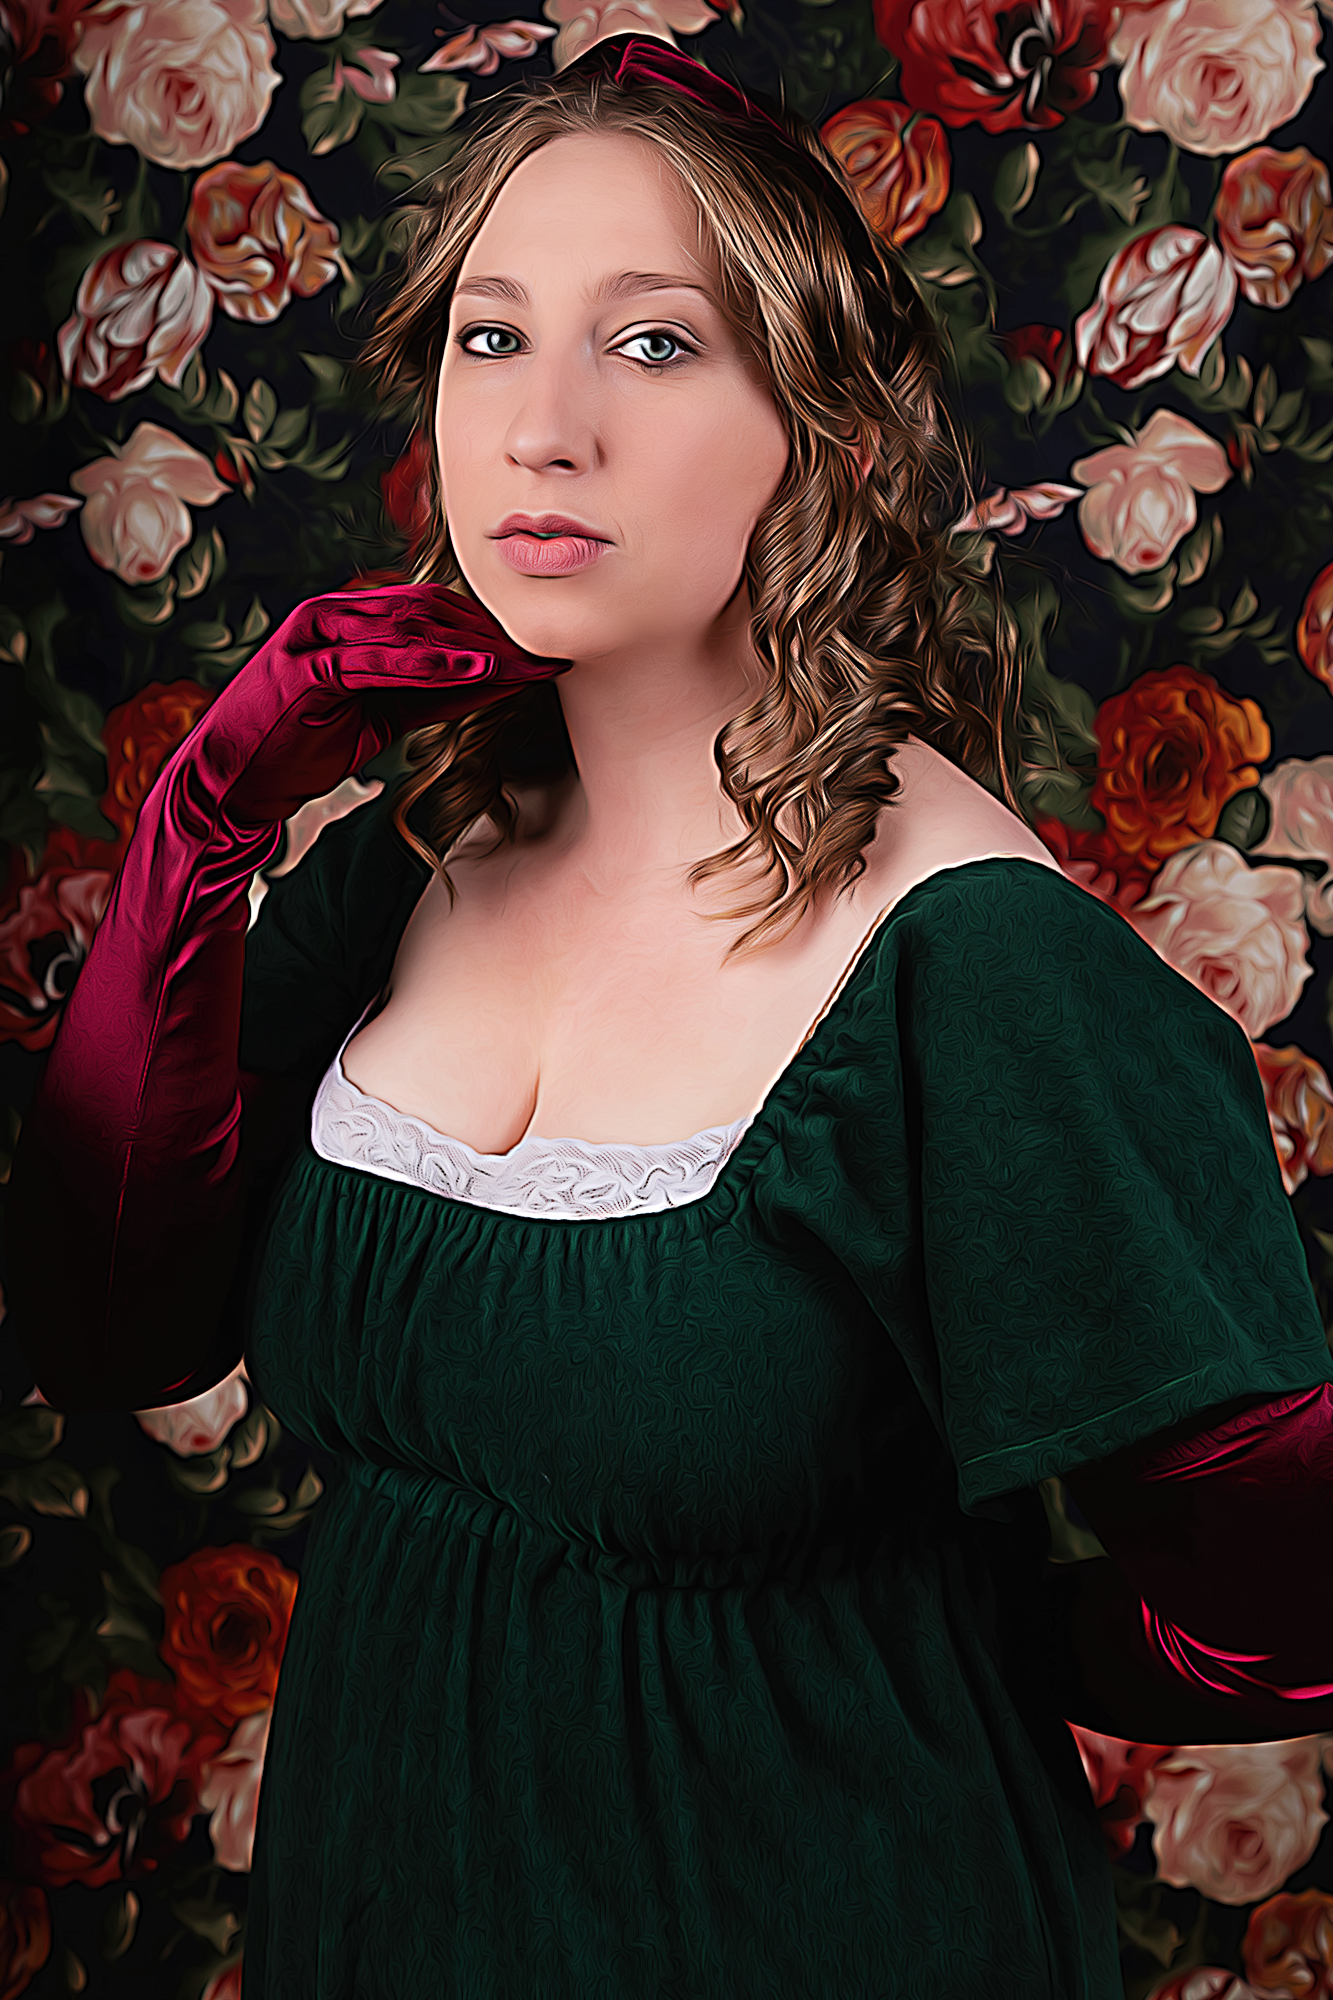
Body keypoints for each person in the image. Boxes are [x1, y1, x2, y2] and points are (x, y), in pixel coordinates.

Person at [8, 33, 1333, 2000]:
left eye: (651, 344)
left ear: (830, 438)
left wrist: (957, 1646)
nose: (543, 427)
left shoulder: (974, 964)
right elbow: (108, 1320)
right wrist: (205, 825)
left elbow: (1284, 1592)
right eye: (491, 338)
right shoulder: (410, 853)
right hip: (382, 1913)